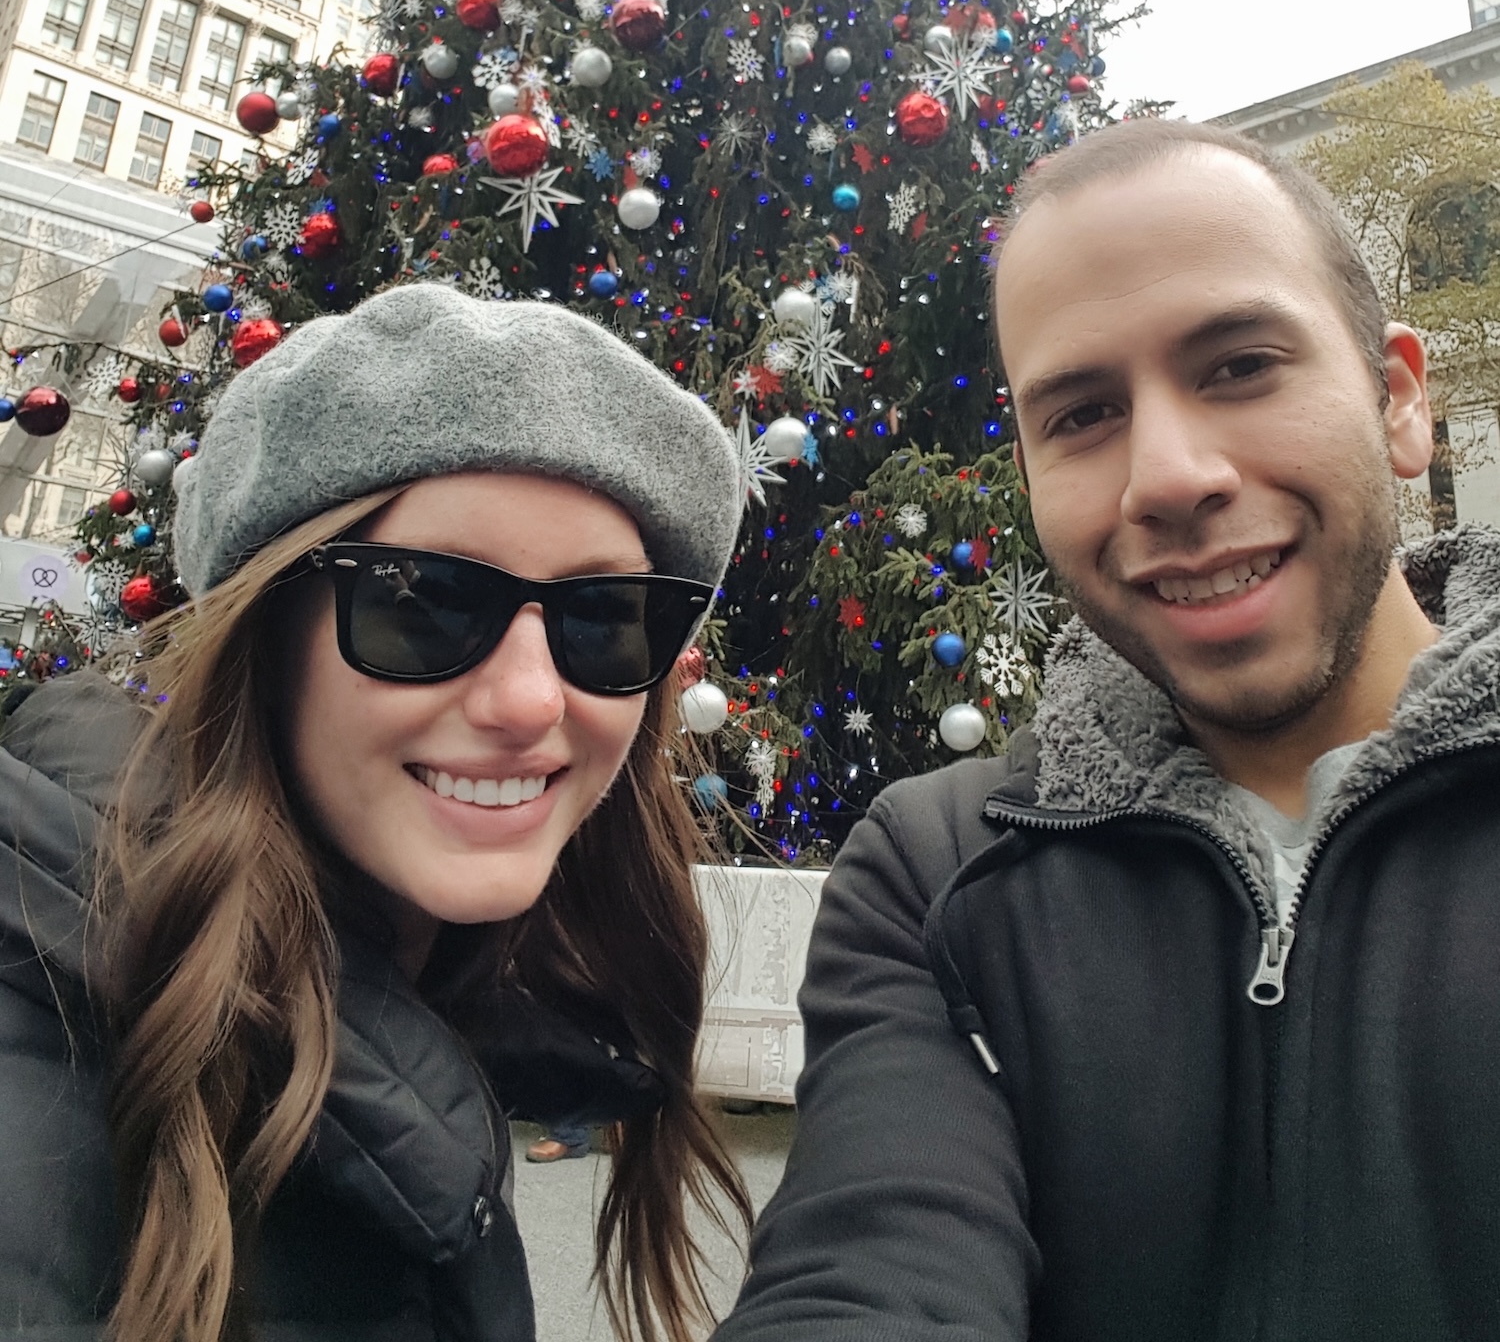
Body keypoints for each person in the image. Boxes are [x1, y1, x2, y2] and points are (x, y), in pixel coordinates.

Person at [715, 118, 1500, 1342]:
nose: (1170, 475)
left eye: (1240, 363)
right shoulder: (936, 870)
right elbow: (869, 1263)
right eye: (1082, 414)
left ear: (1401, 401)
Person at [0, 282, 750, 1342]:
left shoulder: (428, 1002)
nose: (534, 698)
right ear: (263, 638)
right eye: (423, 601)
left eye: (604, 616)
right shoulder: (44, 1085)